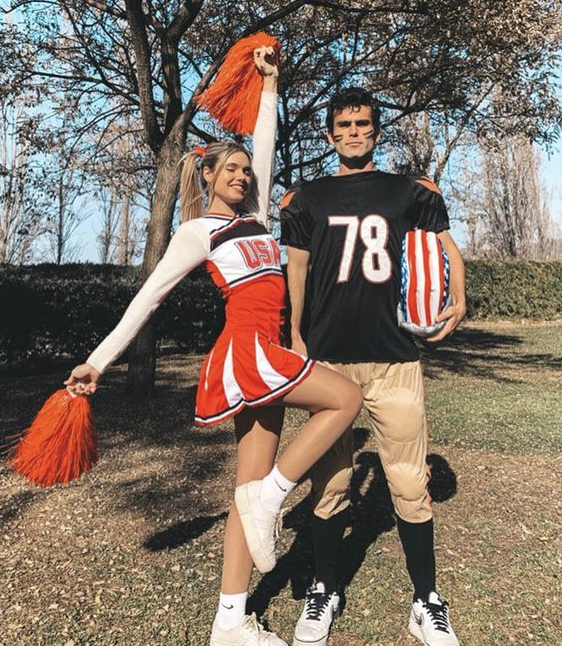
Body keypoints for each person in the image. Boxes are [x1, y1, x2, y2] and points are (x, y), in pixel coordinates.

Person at [64, 50, 362, 646]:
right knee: (345, 399)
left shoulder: (255, 218)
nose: (243, 175)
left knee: (244, 490)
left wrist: (270, 85)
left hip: (268, 352)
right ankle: (273, 497)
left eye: (246, 170)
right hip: (248, 352)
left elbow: (268, 143)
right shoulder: (196, 232)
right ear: (207, 177)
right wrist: (97, 362)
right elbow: (146, 299)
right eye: (231, 169)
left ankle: (229, 620)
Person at [280, 86, 466, 646]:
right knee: (331, 482)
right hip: (330, 362)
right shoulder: (305, 199)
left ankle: (426, 600)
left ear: (376, 131)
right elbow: (299, 271)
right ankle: (325, 587)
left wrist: (458, 297)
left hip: (395, 358)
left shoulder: (408, 191)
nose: (355, 132)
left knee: (410, 483)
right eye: (345, 125)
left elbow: (446, 248)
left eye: (364, 123)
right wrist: (293, 333)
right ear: (331, 134)